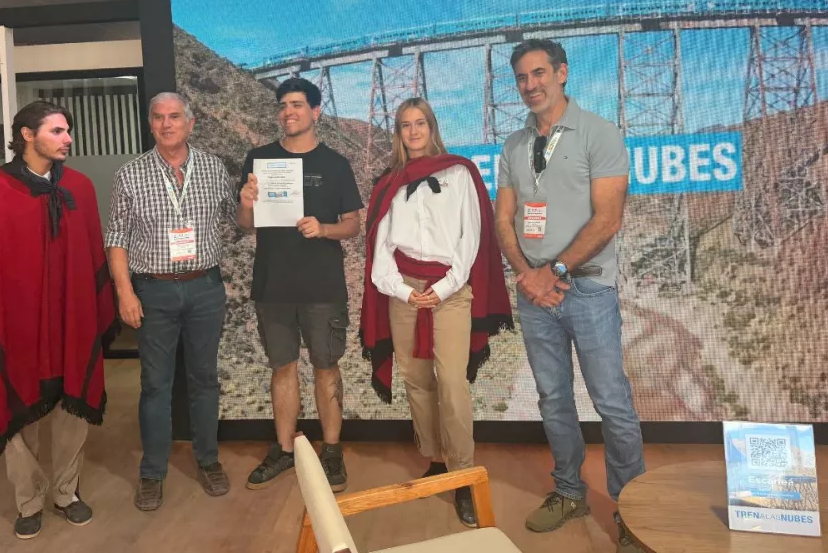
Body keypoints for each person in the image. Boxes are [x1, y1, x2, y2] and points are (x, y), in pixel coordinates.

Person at [494, 39, 646, 552]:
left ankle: (632, 510)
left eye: (539, 73)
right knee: (553, 399)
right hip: (536, 294)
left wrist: (554, 270)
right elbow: (503, 219)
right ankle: (568, 492)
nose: (530, 85)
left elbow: (608, 219)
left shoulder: (599, 133)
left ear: (561, 73)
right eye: (521, 77)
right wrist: (529, 276)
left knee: (612, 403)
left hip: (589, 289)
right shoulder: (513, 145)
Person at [0, 100, 116, 539]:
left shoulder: (79, 188)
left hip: (71, 319)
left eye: (68, 130)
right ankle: (29, 500)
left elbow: (90, 254)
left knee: (74, 405)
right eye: (57, 131)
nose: (68, 139)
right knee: (16, 406)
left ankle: (66, 492)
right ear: (26, 135)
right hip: (15, 323)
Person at [359, 98, 513, 527]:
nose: (413, 131)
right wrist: (404, 292)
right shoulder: (389, 182)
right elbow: (380, 248)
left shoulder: (460, 173)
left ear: (432, 127)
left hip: (451, 289)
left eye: (420, 123)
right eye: (405, 125)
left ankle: (463, 474)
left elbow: (471, 238)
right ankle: (436, 459)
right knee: (416, 379)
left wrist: (442, 289)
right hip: (403, 291)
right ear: (398, 132)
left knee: (451, 381)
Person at [105, 92, 234, 511]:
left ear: (190, 123)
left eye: (174, 116)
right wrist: (125, 292)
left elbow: (240, 221)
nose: (166, 124)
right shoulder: (130, 175)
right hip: (153, 290)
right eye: (158, 117)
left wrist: (253, 203)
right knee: (155, 385)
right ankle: (152, 472)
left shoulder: (213, 168)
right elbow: (117, 238)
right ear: (151, 125)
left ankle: (208, 461)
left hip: (204, 287)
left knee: (205, 379)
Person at [237, 77, 363, 493]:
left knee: (326, 367)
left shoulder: (336, 164)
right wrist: (246, 203)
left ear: (315, 111)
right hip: (273, 284)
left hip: (323, 287)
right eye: (282, 105)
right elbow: (246, 225)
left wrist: (323, 229)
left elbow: (352, 224)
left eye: (296, 104)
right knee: (282, 367)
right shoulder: (259, 159)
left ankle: (332, 450)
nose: (287, 112)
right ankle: (285, 449)